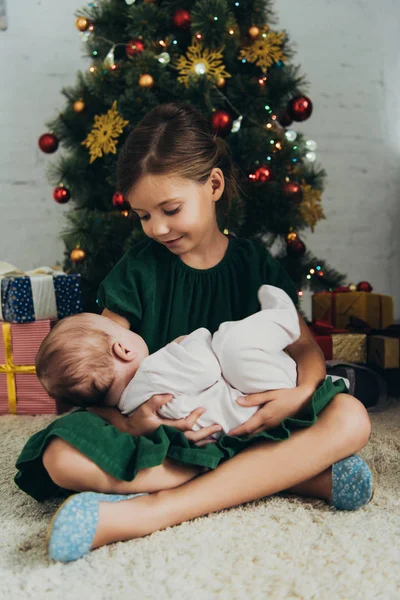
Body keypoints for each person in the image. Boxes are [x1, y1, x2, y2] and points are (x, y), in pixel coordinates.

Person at [15, 102, 374, 563]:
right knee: (59, 456)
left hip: (251, 418)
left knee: (351, 418)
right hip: (169, 438)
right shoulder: (139, 270)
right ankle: (291, 475)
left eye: (170, 209)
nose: (157, 228)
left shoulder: (252, 265)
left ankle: (153, 510)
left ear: (214, 186)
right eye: (144, 216)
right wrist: (135, 422)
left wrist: (299, 395)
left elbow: (302, 346)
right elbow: (101, 363)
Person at [35, 285, 309, 438]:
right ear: (124, 350)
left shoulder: (131, 410)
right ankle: (284, 317)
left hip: (242, 421)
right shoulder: (152, 374)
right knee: (227, 341)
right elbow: (207, 368)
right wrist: (189, 341)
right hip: (260, 395)